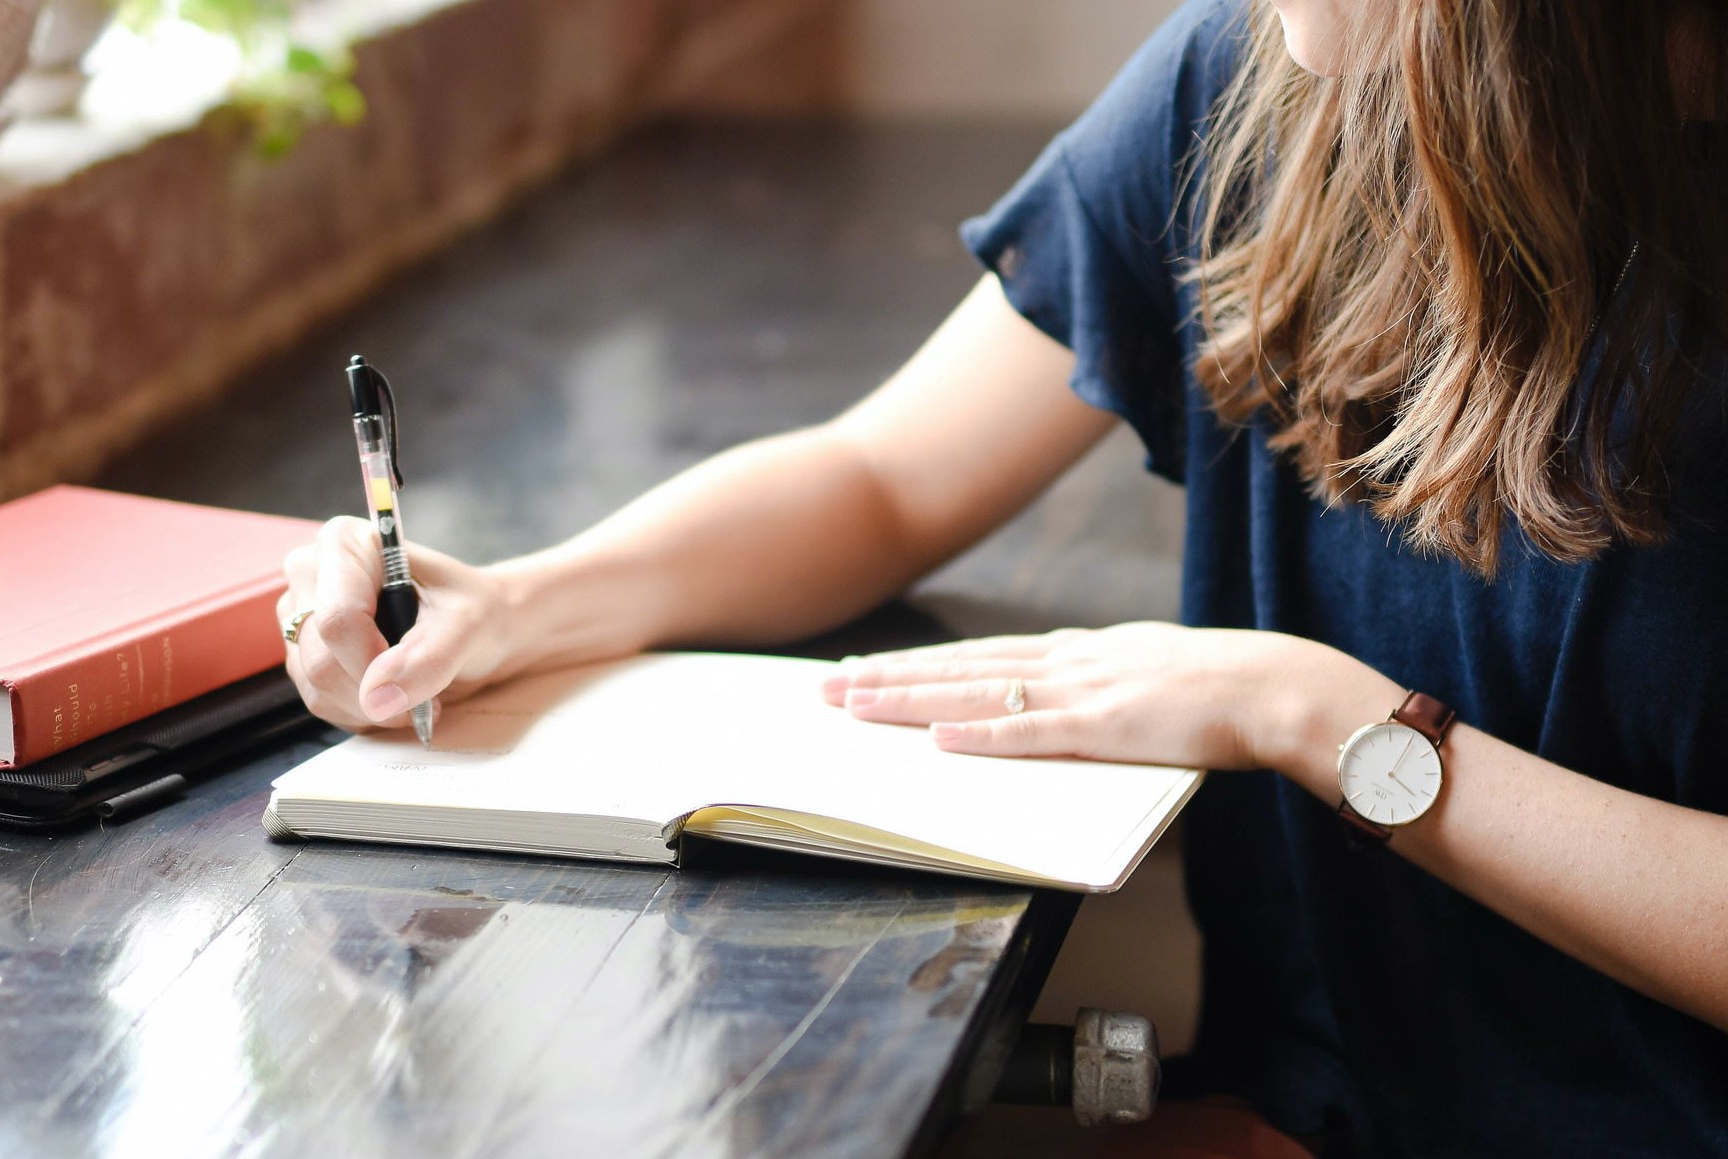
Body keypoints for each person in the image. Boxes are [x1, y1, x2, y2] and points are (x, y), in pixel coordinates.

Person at [277, 0, 1728, 1154]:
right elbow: (885, 475)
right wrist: (519, 603)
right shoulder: (1253, 80)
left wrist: (1311, 716)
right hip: (1325, 1108)